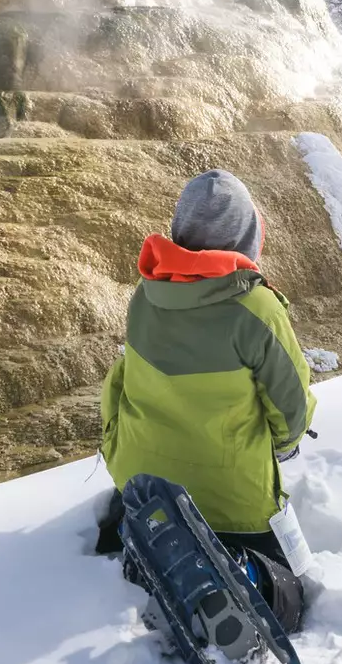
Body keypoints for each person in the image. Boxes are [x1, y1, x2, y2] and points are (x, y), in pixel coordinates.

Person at [97, 169, 315, 584]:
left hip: (141, 483)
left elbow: (122, 383)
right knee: (288, 591)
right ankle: (242, 571)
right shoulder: (257, 309)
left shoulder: (145, 295)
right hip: (231, 502)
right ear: (247, 236)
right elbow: (292, 410)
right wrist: (285, 446)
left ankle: (148, 549)